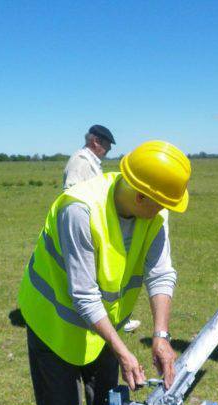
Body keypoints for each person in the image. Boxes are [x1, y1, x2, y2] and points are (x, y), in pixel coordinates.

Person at [18, 140, 190, 405]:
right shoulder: (79, 209)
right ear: (141, 193)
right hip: (54, 322)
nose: (165, 210)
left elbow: (161, 273)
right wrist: (124, 351)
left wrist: (161, 336)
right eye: (161, 202)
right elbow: (82, 294)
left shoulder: (153, 214)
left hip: (102, 324)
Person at [64, 124, 142, 333]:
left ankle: (114, 318)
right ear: (94, 141)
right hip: (88, 227)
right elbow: (71, 194)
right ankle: (98, 321)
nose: (108, 149)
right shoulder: (80, 161)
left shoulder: (91, 161)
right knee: (90, 279)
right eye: (106, 144)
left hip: (98, 225)